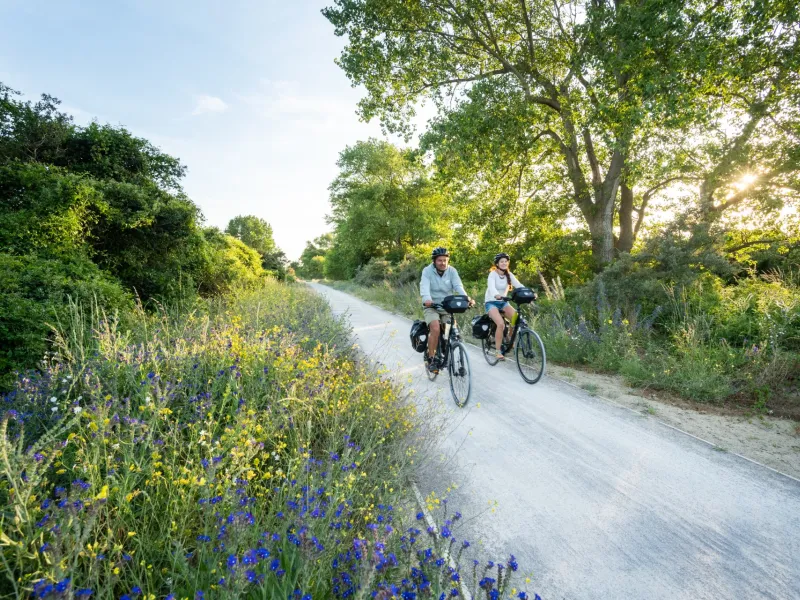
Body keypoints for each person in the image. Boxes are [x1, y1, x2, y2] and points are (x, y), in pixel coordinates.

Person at [420, 247, 475, 372]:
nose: (443, 263)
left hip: (446, 306)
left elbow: (458, 286)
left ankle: (446, 345)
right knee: (435, 328)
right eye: (440, 260)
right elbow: (424, 287)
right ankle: (432, 358)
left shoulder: (452, 271)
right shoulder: (427, 271)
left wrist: (467, 298)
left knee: (451, 328)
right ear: (434, 261)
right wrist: (427, 299)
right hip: (431, 306)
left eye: (445, 260)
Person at [484, 252, 532, 360]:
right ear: (497, 263)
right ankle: (497, 351)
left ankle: (510, 337)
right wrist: (496, 295)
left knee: (516, 318)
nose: (504, 263)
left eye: (506, 261)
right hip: (491, 302)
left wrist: (529, 293)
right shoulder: (492, 274)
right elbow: (491, 287)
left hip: (503, 302)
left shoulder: (509, 275)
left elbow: (519, 285)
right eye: (502, 261)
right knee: (500, 324)